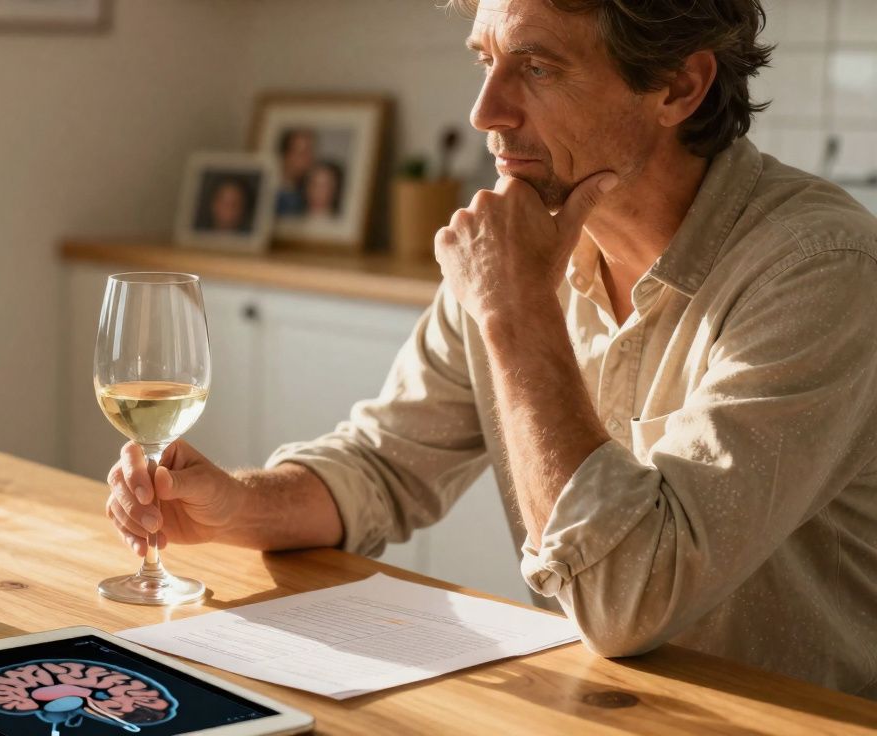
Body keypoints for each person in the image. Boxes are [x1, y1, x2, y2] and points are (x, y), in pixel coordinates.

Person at [104, 0, 877, 698]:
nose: (485, 112)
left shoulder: (820, 269)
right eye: (486, 61)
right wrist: (236, 505)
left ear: (678, 86)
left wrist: (515, 312)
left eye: (537, 67)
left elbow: (627, 600)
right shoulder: (514, 243)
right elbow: (382, 465)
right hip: (595, 706)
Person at [275, 128, 317, 216]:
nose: (309, 159)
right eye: (303, 153)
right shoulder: (272, 192)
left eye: (310, 152)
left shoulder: (306, 192)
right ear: (286, 156)